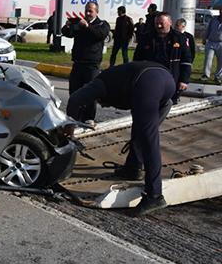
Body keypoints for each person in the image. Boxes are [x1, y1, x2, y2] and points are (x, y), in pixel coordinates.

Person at [66, 61, 175, 216]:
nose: (103, 106)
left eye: (100, 103)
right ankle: (133, 168)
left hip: (148, 82)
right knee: (143, 128)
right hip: (165, 81)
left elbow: (75, 99)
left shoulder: (100, 83)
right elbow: (166, 102)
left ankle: (154, 196)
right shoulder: (118, 82)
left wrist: (69, 127)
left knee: (149, 139)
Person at [61, 1, 110, 121]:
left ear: (96, 12)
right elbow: (67, 33)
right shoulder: (81, 23)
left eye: (90, 11)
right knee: (74, 93)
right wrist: (68, 25)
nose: (88, 13)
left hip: (92, 65)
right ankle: (72, 118)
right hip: (78, 63)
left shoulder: (102, 24)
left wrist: (87, 26)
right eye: (86, 10)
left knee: (90, 94)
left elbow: (100, 35)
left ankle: (88, 119)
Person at [133, 12, 191, 101]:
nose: (159, 26)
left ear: (170, 23)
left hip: (172, 78)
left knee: (169, 104)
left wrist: (184, 80)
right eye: (157, 24)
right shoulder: (146, 37)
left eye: (161, 23)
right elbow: (137, 59)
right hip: (151, 78)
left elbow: (186, 60)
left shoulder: (180, 38)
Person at [201, 0, 222, 84]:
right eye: (220, 10)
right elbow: (208, 29)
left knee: (221, 61)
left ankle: (218, 77)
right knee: (208, 58)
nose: (221, 11)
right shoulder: (214, 19)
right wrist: (204, 38)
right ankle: (206, 75)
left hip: (221, 43)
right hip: (211, 42)